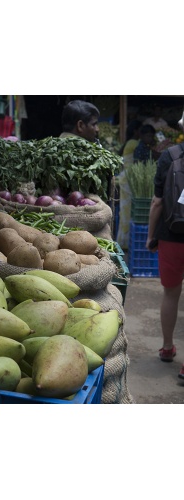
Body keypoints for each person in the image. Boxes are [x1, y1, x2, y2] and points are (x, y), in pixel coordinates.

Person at [145, 117, 184, 378]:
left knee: (171, 294)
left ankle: (168, 347)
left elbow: (157, 202)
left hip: (172, 234)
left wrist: (151, 236)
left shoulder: (169, 156)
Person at [116, 120, 143, 249]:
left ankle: (123, 241)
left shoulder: (129, 142)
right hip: (128, 180)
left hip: (125, 179)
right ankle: (124, 243)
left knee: (125, 211)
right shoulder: (134, 143)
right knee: (127, 212)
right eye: (141, 130)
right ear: (135, 131)